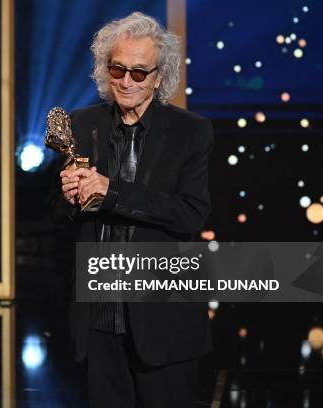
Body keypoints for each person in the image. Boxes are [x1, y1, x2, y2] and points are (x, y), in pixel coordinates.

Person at [50, 12, 213, 408]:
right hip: (99, 319)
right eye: (118, 68)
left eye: (139, 73)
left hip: (163, 321)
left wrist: (113, 193)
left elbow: (191, 214)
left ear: (159, 77)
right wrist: (69, 198)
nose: (125, 81)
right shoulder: (81, 124)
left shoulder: (191, 132)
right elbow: (56, 219)